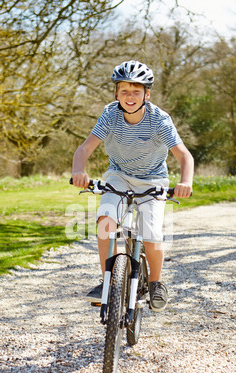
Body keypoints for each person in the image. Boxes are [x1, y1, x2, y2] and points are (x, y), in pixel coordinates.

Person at [71, 60, 194, 312]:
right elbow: (85, 148)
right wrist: (78, 171)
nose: (130, 96)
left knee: (151, 232)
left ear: (146, 95)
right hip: (119, 176)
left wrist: (185, 182)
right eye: (124, 91)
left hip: (153, 180)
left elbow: (184, 155)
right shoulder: (110, 114)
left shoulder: (159, 119)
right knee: (106, 220)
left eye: (136, 91)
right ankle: (107, 280)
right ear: (116, 93)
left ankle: (156, 283)